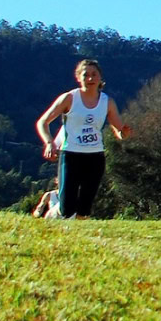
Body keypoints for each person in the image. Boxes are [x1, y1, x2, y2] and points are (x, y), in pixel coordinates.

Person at [34, 59, 131, 218]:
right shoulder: (69, 98)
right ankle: (53, 216)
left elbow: (119, 131)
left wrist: (124, 133)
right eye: (86, 75)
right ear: (78, 77)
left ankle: (77, 233)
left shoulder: (107, 102)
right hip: (70, 155)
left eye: (94, 75)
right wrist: (49, 143)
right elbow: (42, 122)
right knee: (67, 208)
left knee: (85, 207)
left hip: (95, 156)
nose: (91, 79)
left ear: (100, 77)